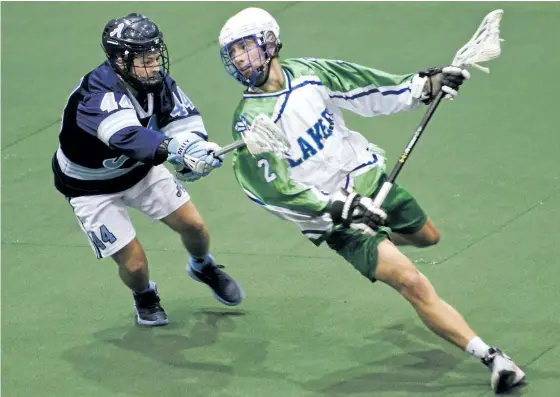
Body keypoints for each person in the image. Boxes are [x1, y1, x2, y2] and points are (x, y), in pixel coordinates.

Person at [218, 7, 525, 393]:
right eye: (233, 54)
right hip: (337, 219)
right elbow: (271, 191)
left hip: (371, 181)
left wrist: (423, 87)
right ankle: (492, 358)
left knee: (429, 237)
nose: (242, 60)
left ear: (270, 41)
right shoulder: (250, 123)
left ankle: (381, 241)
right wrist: (335, 208)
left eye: (246, 48)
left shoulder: (310, 72)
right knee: (412, 281)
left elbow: (367, 88)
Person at [52, 13, 244, 327]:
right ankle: (144, 295)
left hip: (139, 171)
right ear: (119, 61)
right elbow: (127, 137)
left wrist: (197, 150)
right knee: (136, 265)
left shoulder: (156, 82)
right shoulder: (96, 94)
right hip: (90, 188)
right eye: (146, 59)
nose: (155, 64)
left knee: (195, 227)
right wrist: (175, 149)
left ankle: (203, 266)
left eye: (156, 55)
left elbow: (184, 121)